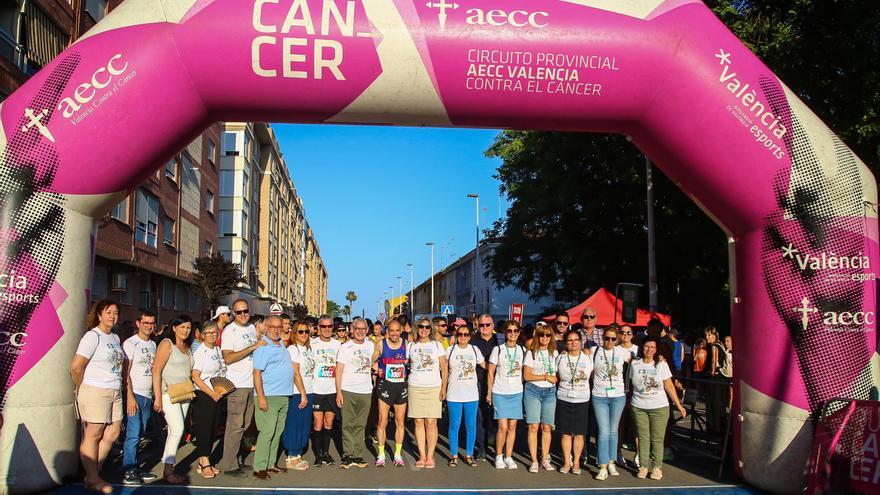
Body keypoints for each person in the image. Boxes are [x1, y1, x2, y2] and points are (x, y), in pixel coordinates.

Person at [70, 300, 124, 494]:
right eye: (108, 312)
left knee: (113, 433)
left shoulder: (115, 338)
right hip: (95, 390)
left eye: (115, 312)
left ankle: (92, 472)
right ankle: (93, 478)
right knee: (94, 434)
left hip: (115, 391)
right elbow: (76, 367)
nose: (112, 316)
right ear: (99, 315)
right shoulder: (92, 336)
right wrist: (81, 386)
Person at [629, 336, 687, 480]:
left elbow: (669, 385)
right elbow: (630, 385)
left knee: (657, 438)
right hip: (639, 406)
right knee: (643, 437)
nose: (649, 350)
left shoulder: (661, 364)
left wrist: (679, 405)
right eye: (647, 346)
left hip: (659, 407)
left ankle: (656, 467)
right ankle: (643, 466)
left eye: (653, 347)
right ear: (642, 347)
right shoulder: (634, 364)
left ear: (656, 350)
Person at [219, 299, 264, 477]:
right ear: (233, 314)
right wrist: (253, 346)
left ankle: (236, 460)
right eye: (239, 312)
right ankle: (229, 465)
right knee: (234, 426)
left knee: (245, 425)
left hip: (250, 383)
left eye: (246, 311)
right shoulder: (230, 331)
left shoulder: (251, 329)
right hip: (237, 385)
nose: (243, 314)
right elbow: (228, 358)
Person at [151, 315, 194, 484]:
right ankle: (168, 471)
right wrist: (158, 398)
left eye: (188, 328)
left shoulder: (187, 347)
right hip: (167, 393)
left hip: (184, 393)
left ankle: (168, 470)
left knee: (175, 431)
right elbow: (156, 371)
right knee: (177, 429)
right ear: (174, 327)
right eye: (182, 327)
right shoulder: (166, 344)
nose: (185, 330)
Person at [250, 316, 294, 478]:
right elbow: (256, 373)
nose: (276, 329)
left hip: (283, 395)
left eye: (278, 326)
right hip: (268, 396)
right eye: (272, 326)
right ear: (266, 327)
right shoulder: (263, 346)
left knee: (277, 432)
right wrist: (261, 397)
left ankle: (270, 463)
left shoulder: (281, 343)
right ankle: (259, 467)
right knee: (267, 432)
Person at [121, 310, 159, 485]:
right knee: (133, 433)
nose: (149, 326)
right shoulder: (130, 343)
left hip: (147, 395)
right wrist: (130, 396)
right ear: (138, 323)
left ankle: (137, 466)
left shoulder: (153, 344)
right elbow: (125, 372)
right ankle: (129, 469)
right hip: (135, 394)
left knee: (141, 433)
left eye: (151, 323)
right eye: (145, 323)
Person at [407, 317, 448, 468]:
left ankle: (430, 456)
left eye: (427, 327)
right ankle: (422, 455)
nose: (424, 330)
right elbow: (404, 364)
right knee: (418, 421)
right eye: (421, 327)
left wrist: (444, 388)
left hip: (433, 386)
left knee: (431, 422)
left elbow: (444, 367)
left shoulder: (437, 345)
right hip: (415, 386)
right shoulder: (411, 345)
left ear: (431, 330)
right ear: (416, 329)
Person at [335, 318, 375, 468]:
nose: (360, 331)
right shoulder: (345, 347)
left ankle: (358, 454)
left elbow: (376, 363)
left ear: (367, 330)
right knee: (347, 424)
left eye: (363, 329)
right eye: (357, 328)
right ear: (352, 329)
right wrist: (338, 392)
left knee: (360, 424)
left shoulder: (371, 346)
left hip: (365, 391)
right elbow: (339, 370)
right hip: (348, 390)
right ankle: (348, 454)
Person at [592, 326, 629, 480]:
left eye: (613, 339)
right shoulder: (595, 351)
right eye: (607, 338)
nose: (609, 341)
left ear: (617, 339)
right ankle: (602, 465)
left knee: (613, 430)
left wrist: (659, 358)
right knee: (603, 431)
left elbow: (642, 357)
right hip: (599, 395)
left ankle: (612, 461)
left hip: (618, 395)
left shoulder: (623, 352)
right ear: (603, 338)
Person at [488, 320, 526, 470]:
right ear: (505, 333)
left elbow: (523, 371)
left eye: (515, 331)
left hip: (516, 392)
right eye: (509, 331)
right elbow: (491, 372)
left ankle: (508, 456)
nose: (512, 334)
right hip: (500, 391)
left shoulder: (523, 350)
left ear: (518, 333)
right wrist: (489, 392)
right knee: (502, 426)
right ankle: (498, 455)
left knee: (513, 426)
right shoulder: (498, 350)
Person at [445, 325, 485, 467]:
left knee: (470, 425)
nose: (462, 337)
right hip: (453, 394)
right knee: (454, 425)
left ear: (469, 336)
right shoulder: (450, 350)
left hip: (471, 394)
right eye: (460, 334)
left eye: (465, 334)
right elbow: (443, 370)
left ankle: (469, 455)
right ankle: (454, 455)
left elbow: (486, 365)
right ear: (456, 335)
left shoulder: (475, 350)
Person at [555, 329, 594, 475]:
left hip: (582, 399)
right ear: (566, 343)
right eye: (570, 340)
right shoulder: (561, 358)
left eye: (576, 340)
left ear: (580, 342)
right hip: (564, 397)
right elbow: (556, 374)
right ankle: (567, 461)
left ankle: (576, 462)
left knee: (579, 433)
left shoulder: (587, 357)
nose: (573, 343)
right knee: (565, 433)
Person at [190, 320, 225, 479]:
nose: (212, 335)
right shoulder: (201, 352)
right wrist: (211, 393)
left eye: (214, 332)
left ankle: (203, 460)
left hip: (217, 394)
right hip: (204, 395)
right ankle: (205, 462)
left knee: (212, 429)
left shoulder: (217, 350)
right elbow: (195, 377)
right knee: (204, 429)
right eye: (208, 333)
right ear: (203, 335)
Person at [371, 318, 408, 467]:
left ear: (401, 331)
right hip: (385, 385)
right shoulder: (381, 344)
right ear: (388, 331)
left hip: (400, 386)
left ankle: (397, 454)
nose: (394, 334)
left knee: (400, 421)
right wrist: (375, 367)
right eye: (391, 330)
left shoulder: (406, 344)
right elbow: (371, 359)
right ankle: (381, 455)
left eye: (397, 331)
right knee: (383, 420)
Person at [523, 325, 558, 473]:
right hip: (533, 390)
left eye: (548, 335)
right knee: (533, 426)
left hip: (550, 391)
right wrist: (545, 377)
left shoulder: (555, 353)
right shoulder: (531, 353)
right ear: (537, 336)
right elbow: (526, 376)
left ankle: (544, 458)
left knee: (547, 427)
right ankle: (534, 461)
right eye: (542, 335)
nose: (545, 338)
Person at [283, 321, 314, 470]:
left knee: (304, 424)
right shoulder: (293, 349)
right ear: (294, 333)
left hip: (309, 390)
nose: (304, 334)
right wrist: (302, 394)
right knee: (294, 424)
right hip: (297, 392)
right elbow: (295, 373)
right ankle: (292, 456)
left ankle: (298, 454)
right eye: (300, 331)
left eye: (306, 331)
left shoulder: (308, 348)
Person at [311, 315, 342, 466]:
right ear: (318, 328)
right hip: (316, 389)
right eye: (323, 326)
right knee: (318, 423)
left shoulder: (338, 345)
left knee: (328, 423)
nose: (327, 329)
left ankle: (326, 453)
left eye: (330, 326)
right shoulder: (311, 344)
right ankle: (318, 455)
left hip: (332, 390)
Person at [471, 314, 497, 462]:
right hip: (478, 382)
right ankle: (481, 447)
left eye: (488, 325)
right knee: (479, 416)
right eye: (482, 325)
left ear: (493, 326)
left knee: (495, 416)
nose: (485, 328)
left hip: (498, 383)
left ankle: (493, 441)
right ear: (477, 325)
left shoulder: (499, 340)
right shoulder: (472, 341)